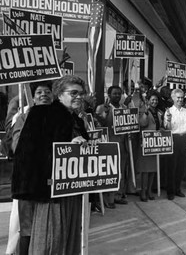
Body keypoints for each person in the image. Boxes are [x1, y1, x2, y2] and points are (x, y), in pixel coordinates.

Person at [12, 75, 89, 254]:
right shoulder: (41, 113)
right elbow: (29, 153)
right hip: (51, 193)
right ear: (59, 95)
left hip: (73, 189)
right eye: (73, 93)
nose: (79, 97)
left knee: (69, 241)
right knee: (49, 242)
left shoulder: (76, 119)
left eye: (81, 93)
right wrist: (68, 146)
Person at [8, 81, 53, 255]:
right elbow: (17, 146)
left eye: (47, 92)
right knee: (27, 227)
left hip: (51, 181)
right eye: (39, 92)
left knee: (48, 225)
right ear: (33, 98)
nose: (43, 95)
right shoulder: (22, 118)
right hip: (28, 181)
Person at [95, 86, 130, 207]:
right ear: (109, 95)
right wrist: (104, 114)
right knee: (109, 171)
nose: (117, 96)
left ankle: (118, 195)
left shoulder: (125, 108)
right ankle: (108, 199)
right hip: (109, 144)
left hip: (123, 144)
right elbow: (99, 126)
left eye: (119, 94)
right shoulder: (102, 108)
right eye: (114, 94)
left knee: (120, 172)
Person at [164, 88, 186, 200]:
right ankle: (170, 191)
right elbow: (168, 128)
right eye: (177, 97)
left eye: (181, 97)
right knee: (171, 166)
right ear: (173, 98)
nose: (180, 99)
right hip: (173, 139)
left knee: (180, 166)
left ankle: (177, 189)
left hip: (184, 139)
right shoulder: (169, 111)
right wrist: (168, 120)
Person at [137, 90, 163, 202]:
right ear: (148, 101)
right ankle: (143, 192)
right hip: (146, 143)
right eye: (152, 100)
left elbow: (160, 126)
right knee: (145, 170)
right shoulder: (143, 111)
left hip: (155, 143)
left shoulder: (159, 113)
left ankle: (149, 191)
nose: (155, 101)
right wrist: (146, 113)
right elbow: (142, 124)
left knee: (153, 169)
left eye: (156, 100)